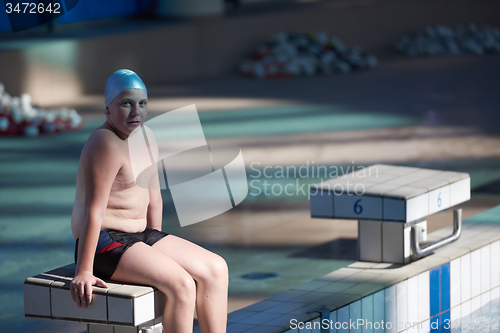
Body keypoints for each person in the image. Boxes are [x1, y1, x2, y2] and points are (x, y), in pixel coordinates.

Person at [70, 69, 228, 333]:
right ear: (107, 109)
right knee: (182, 285)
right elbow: (93, 209)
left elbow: (154, 199)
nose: (136, 112)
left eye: (142, 104)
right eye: (126, 104)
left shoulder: (147, 137)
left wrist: (155, 249)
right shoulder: (104, 142)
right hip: (104, 241)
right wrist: (83, 270)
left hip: (140, 236)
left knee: (216, 269)